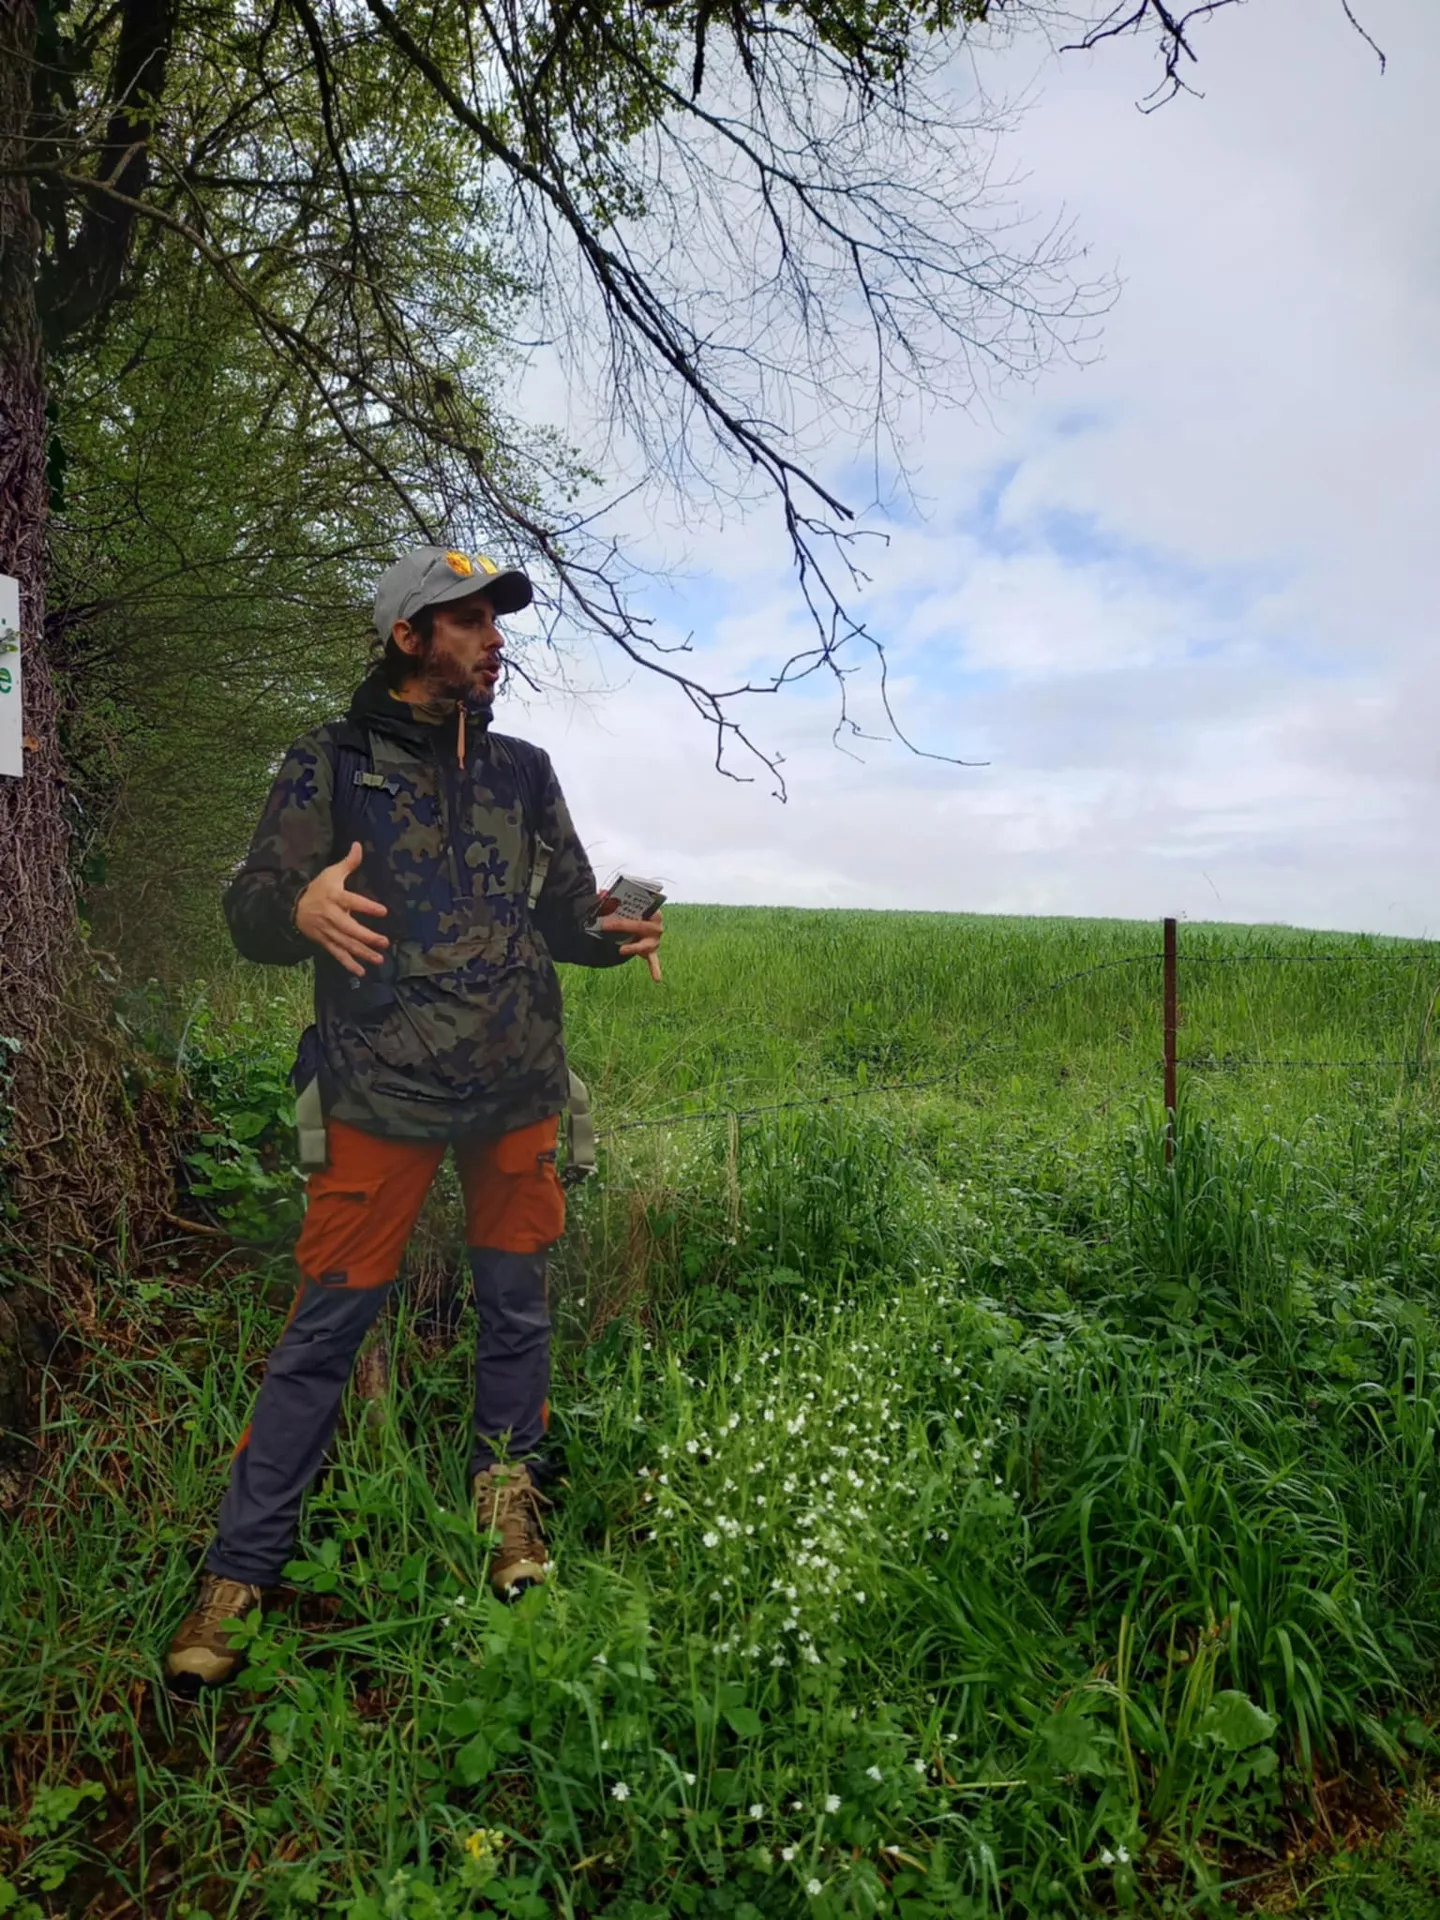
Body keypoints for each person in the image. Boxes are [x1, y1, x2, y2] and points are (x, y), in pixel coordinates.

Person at [164, 546, 663, 1693]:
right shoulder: (328, 763)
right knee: (325, 1332)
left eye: (497, 621)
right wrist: (295, 902)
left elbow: (560, 916)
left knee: (516, 1309)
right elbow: (250, 909)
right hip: (377, 1087)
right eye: (474, 622)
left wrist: (607, 930)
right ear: (409, 638)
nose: (497, 640)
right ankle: (241, 1570)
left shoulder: (526, 772)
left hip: (516, 1088)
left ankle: (507, 1508)